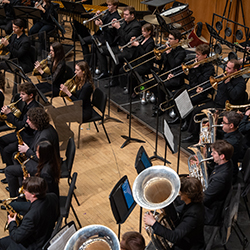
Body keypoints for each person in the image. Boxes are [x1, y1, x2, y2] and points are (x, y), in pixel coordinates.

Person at [182, 59, 247, 143]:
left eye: (229, 68)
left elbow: (235, 96)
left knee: (207, 118)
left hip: (226, 109)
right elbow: (212, 83)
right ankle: (194, 135)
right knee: (196, 112)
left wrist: (228, 84)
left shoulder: (241, 82)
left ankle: (207, 140)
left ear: (236, 70)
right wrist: (203, 88)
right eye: (226, 67)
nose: (226, 69)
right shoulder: (225, 76)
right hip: (216, 103)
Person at [5, 107, 60, 197]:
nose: (27, 121)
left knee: (9, 171)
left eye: (29, 120)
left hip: (41, 166)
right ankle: (22, 188)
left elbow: (42, 159)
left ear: (36, 122)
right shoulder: (45, 128)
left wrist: (27, 151)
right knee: (15, 156)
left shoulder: (44, 137)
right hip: (43, 162)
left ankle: (15, 197)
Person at [144, 176, 205, 250]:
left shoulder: (193, 215)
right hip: (186, 237)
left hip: (190, 245)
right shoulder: (192, 203)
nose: (179, 192)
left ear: (188, 194)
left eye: (181, 191)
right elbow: (180, 211)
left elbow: (174, 237)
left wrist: (153, 223)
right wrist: (166, 207)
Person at [0, 176, 59, 250]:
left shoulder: (31, 216)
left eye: (25, 190)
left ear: (33, 194)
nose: (23, 192)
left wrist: (12, 222)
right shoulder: (53, 196)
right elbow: (57, 215)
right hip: (46, 235)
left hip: (34, 245)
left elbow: (16, 238)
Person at [97, 6, 141, 87]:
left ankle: (114, 80)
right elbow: (114, 34)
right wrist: (103, 25)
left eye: (126, 15)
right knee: (101, 49)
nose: (124, 16)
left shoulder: (136, 26)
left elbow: (128, 39)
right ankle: (105, 72)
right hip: (120, 47)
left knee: (116, 57)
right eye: (124, 14)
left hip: (129, 51)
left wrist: (119, 27)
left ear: (132, 15)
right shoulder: (124, 22)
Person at [53, 61, 94, 145]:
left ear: (83, 72)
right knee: (53, 112)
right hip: (77, 108)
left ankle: (67, 138)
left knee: (59, 118)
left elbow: (78, 103)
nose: (75, 72)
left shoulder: (87, 86)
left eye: (77, 70)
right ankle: (65, 134)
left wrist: (67, 92)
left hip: (84, 112)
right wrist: (66, 89)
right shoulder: (79, 81)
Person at [0, 82, 39, 169]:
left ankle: (10, 169)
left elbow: (22, 125)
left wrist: (9, 114)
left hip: (28, 137)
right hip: (22, 133)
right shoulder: (26, 103)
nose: (20, 96)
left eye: (23, 94)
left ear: (31, 95)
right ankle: (8, 165)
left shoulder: (33, 108)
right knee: (1, 141)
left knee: (7, 150)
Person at [180, 44, 215, 130]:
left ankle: (187, 122)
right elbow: (191, 80)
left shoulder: (210, 68)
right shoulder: (196, 63)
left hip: (202, 92)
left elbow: (201, 82)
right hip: (193, 87)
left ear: (205, 55)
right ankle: (181, 117)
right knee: (180, 96)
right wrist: (193, 69)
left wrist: (196, 69)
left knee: (188, 101)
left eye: (198, 55)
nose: (196, 56)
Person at [152, 30, 186, 117]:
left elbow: (174, 65)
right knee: (153, 82)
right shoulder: (168, 48)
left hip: (176, 77)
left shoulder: (181, 52)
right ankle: (159, 102)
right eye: (168, 38)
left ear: (177, 40)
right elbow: (161, 62)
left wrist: (169, 54)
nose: (168, 40)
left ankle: (161, 106)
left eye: (171, 39)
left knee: (161, 85)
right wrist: (158, 59)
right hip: (165, 73)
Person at [80, 0, 121, 71]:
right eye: (107, 5)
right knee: (83, 41)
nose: (108, 7)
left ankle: (96, 67)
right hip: (101, 35)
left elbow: (112, 32)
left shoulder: (116, 17)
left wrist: (102, 25)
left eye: (110, 5)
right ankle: (87, 62)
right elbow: (100, 20)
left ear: (115, 6)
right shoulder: (107, 12)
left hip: (108, 38)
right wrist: (96, 17)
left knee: (95, 45)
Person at [204, 140, 234, 225]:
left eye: (214, 153)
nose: (211, 155)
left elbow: (204, 199)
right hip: (213, 200)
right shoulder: (227, 162)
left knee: (181, 200)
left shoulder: (220, 178)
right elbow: (214, 171)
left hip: (210, 211)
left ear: (222, 156)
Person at [122, 23, 155, 98]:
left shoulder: (151, 42)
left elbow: (145, 55)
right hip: (139, 61)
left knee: (132, 73)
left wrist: (138, 45)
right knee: (126, 68)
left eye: (144, 31)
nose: (142, 33)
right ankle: (129, 88)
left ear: (149, 32)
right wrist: (132, 43)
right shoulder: (142, 38)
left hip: (146, 64)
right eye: (142, 31)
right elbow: (138, 52)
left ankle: (136, 90)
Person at [220, 111, 246, 182]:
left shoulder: (231, 142)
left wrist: (205, 147)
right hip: (229, 169)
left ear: (231, 126)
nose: (222, 124)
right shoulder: (236, 134)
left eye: (224, 122)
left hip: (226, 175)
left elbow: (216, 159)